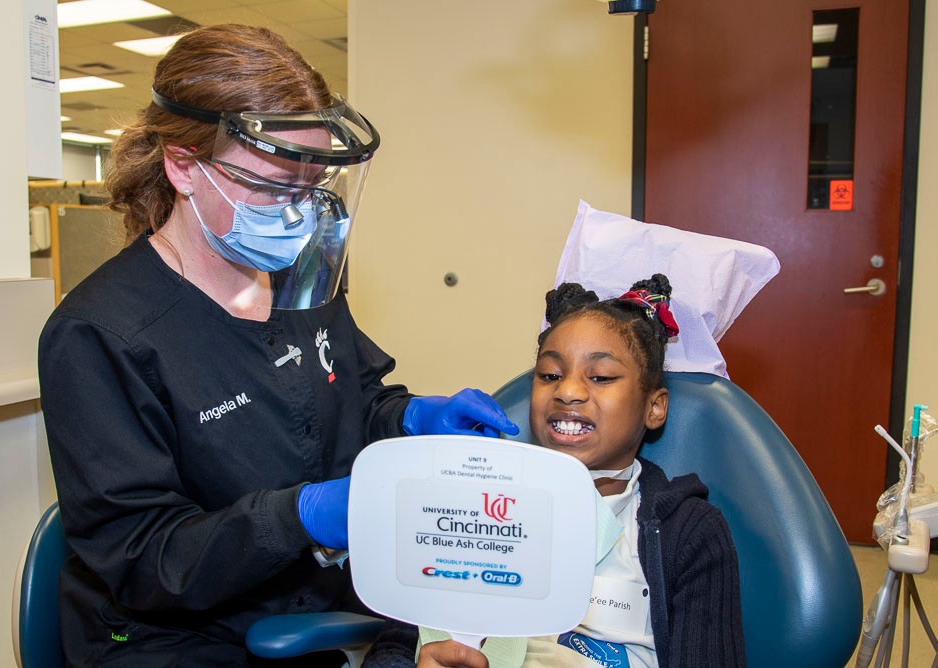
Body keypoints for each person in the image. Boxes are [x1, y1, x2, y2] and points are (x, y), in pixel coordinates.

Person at [38, 24, 518, 667]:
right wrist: (301, 517)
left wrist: (409, 418)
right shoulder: (101, 334)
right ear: (184, 166)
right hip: (170, 639)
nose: (296, 214)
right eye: (271, 188)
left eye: (310, 187)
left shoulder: (306, 274)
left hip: (307, 603)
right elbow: (146, 557)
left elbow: (349, 396)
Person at [364, 274, 745, 668]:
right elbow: (395, 643)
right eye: (549, 375)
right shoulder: (473, 507)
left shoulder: (687, 531)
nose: (567, 392)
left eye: (600, 377)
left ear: (655, 407)